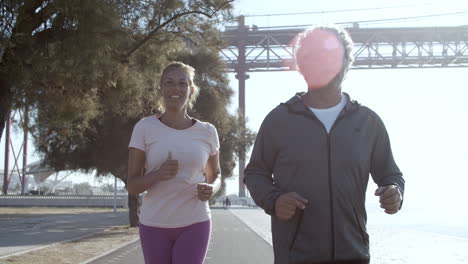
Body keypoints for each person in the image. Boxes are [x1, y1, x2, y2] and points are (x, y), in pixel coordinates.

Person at [244, 25, 404, 264]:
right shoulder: (278, 120)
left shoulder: (368, 123)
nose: (325, 63)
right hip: (295, 257)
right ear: (302, 64)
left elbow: (391, 175)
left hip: (354, 255)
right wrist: (274, 200)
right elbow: (255, 173)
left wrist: (395, 193)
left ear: (346, 63)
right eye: (315, 56)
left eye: (333, 55)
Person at [126, 61, 221, 264]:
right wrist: (157, 174)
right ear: (161, 88)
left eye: (182, 83)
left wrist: (211, 188)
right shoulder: (145, 127)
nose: (175, 89)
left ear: (191, 89)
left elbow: (217, 175)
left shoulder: (207, 131)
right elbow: (132, 185)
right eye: (169, 82)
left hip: (195, 221)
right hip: (154, 224)